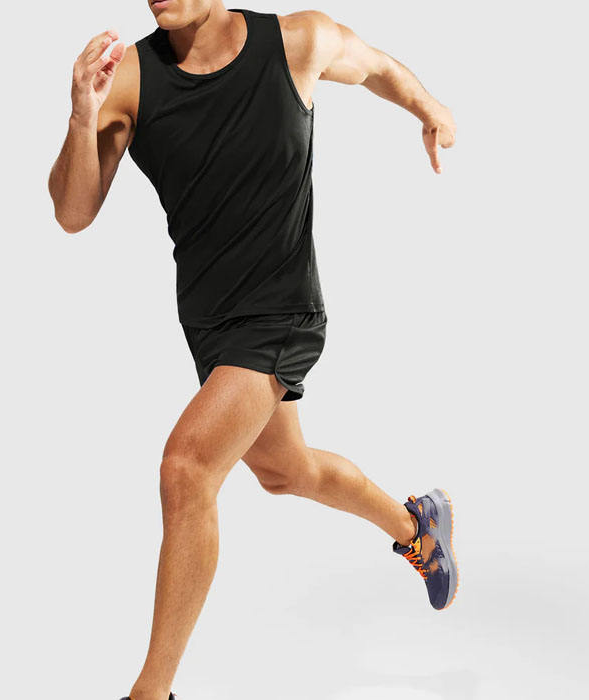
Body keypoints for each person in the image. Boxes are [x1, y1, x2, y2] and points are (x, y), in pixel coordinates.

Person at [48, 2, 458, 699]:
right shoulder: (132, 77)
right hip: (209, 324)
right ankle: (417, 526)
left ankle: (151, 692)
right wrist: (82, 117)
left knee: (186, 470)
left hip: (282, 311)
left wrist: (429, 107)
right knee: (285, 471)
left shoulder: (297, 41)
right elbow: (73, 211)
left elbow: (374, 67)